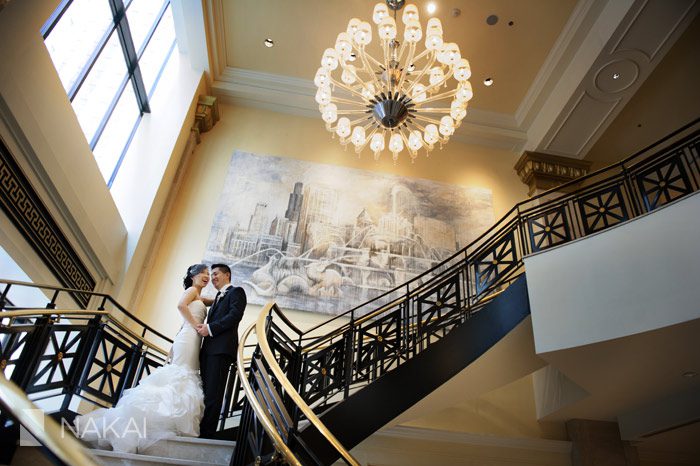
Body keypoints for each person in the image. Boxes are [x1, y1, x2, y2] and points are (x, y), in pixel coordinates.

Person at [75, 264, 209, 452]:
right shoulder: (192, 290)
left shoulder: (198, 295)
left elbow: (207, 301)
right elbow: (180, 306)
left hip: (189, 338)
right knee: (181, 375)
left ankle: (166, 419)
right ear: (193, 275)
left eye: (209, 273)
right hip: (190, 336)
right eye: (203, 272)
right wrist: (196, 325)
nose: (207, 276)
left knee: (183, 374)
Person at [196, 263, 246, 438]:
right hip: (208, 350)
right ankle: (199, 429)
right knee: (204, 392)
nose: (213, 277)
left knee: (213, 394)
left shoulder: (237, 292)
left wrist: (209, 328)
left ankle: (206, 435)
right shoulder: (218, 297)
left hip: (221, 350)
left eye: (216, 274)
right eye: (211, 274)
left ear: (228, 275)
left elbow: (234, 316)